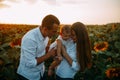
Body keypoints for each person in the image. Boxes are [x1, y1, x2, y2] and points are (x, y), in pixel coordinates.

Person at [17, 14, 60, 80]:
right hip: (28, 76)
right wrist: (49, 54)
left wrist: (49, 50)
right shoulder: (30, 39)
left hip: (40, 72)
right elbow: (31, 63)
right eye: (54, 31)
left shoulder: (46, 36)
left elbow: (41, 52)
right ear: (45, 29)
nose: (55, 33)